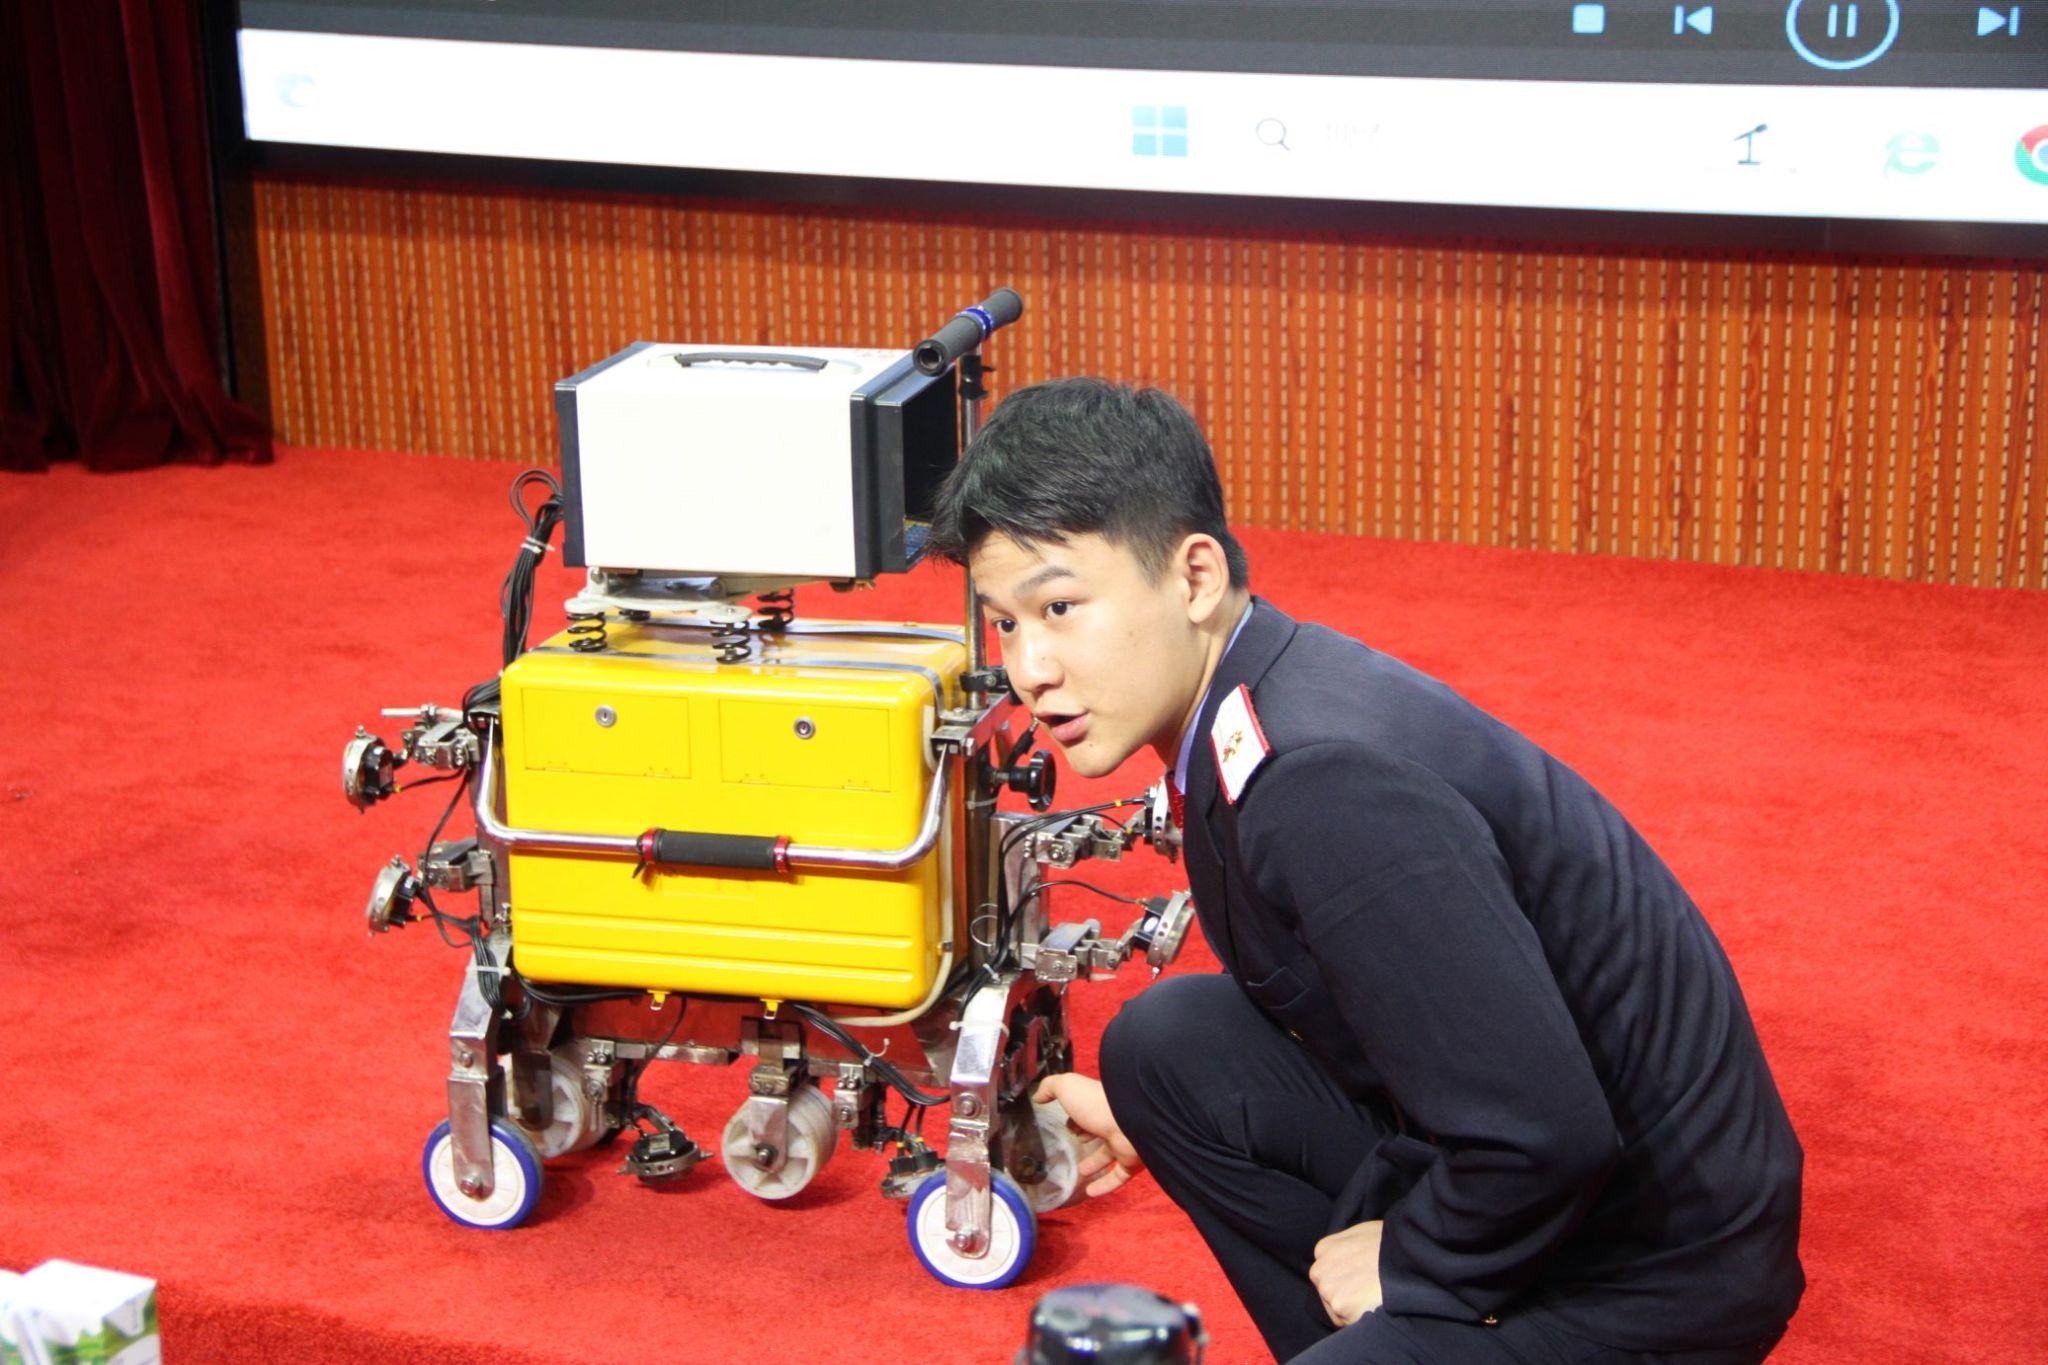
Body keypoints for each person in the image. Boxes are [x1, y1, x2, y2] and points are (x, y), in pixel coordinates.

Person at [926, 378, 1804, 1364]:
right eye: (1006, 622)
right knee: (1163, 1052)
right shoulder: (1261, 694)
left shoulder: (1322, 781)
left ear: (1195, 576)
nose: (1029, 668)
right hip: (1549, 1170)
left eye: (1059, 607)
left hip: (1646, 1262)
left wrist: (1415, 1256)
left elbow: (1542, 1131)